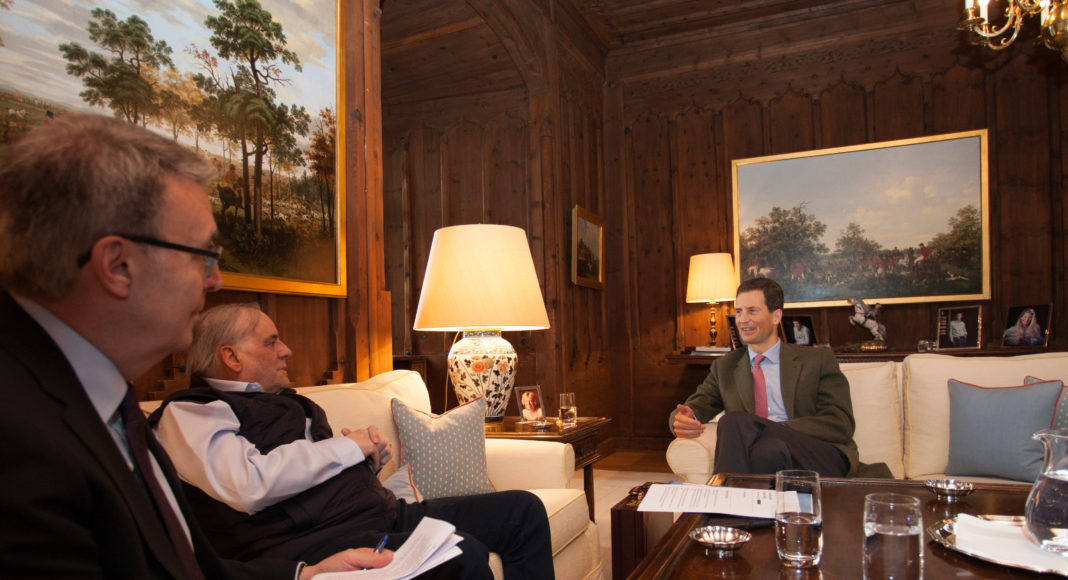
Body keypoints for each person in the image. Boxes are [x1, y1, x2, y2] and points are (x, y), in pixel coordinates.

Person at [0, 114, 390, 578]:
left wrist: (304, 575)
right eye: (202, 256)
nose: (216, 280)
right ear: (118, 265)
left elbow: (193, 568)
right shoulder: (19, 437)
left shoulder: (103, 402)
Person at [150, 303, 555, 578]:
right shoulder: (192, 412)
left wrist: (366, 463)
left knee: (522, 510)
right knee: (460, 553)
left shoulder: (290, 404)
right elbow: (247, 485)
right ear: (231, 357)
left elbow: (312, 474)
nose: (286, 350)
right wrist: (347, 448)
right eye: (271, 341)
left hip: (380, 513)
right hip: (312, 542)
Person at [669, 278, 867, 478]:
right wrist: (685, 420)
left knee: (734, 421)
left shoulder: (817, 360)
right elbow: (695, 406)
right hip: (768, 452)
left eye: (752, 311)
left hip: (819, 453)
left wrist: (773, 428)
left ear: (776, 316)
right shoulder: (725, 367)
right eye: (739, 312)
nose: (742, 319)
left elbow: (840, 423)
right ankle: (736, 497)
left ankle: (722, 495)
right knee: (767, 451)